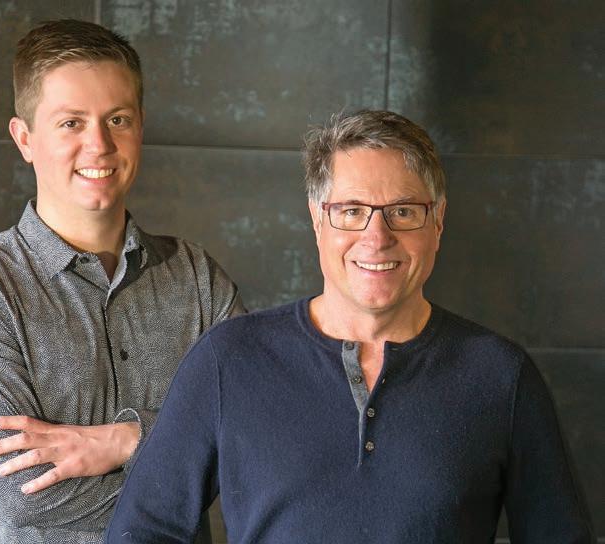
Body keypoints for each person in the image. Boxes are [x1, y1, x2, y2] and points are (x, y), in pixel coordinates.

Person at [105, 110, 594, 543]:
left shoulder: (501, 376)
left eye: (403, 212)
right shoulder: (229, 360)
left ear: (438, 221)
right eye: (352, 211)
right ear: (318, 219)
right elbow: (145, 531)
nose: (376, 238)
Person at [0, 19, 242, 543]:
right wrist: (184, 460)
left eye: (117, 119)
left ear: (140, 126)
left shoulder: (197, 278)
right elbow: (24, 496)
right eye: (71, 122)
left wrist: (126, 440)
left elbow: (254, 436)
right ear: (25, 139)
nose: (99, 144)